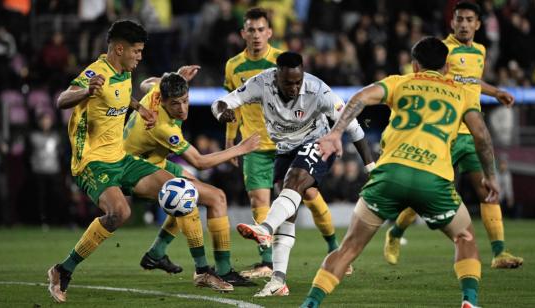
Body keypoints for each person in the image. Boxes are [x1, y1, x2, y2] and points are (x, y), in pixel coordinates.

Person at [300, 36, 499, 308]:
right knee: (464, 237)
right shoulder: (462, 93)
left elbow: (359, 98)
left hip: (390, 174)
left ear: (415, 65)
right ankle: (469, 300)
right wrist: (490, 175)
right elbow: (482, 136)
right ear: (447, 67)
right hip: (434, 179)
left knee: (348, 249)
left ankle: (310, 304)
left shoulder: (400, 81)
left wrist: (335, 133)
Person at [213, 51, 373, 297]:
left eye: (298, 82)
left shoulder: (319, 90)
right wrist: (220, 113)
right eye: (288, 83)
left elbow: (354, 126)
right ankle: (278, 281)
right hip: (284, 149)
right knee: (288, 211)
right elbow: (222, 102)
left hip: (318, 143)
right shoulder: (261, 83)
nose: (294, 87)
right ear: (276, 76)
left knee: (294, 181)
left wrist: (372, 168)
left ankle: (265, 227)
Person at [383, 1, 523, 269]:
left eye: (469, 20)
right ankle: (395, 233)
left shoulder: (480, 51)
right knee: (424, 194)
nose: (464, 24)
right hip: (444, 132)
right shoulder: (442, 51)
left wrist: (495, 92)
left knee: (486, 191)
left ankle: (500, 253)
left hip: (471, 133)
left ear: (478, 24)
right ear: (452, 22)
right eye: (459, 19)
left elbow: (473, 81)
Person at [47, 20, 176, 303]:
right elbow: (61, 100)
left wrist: (139, 107)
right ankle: (62, 270)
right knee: (120, 213)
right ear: (120, 48)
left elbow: (119, 96)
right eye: (137, 51)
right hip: (91, 162)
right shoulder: (96, 72)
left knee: (178, 189)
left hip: (119, 157)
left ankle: (176, 260)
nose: (140, 56)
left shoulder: (124, 71)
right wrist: (85, 92)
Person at [224, 6, 349, 279]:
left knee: (312, 196)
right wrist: (230, 139)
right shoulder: (233, 66)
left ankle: (335, 247)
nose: (256, 35)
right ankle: (267, 263)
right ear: (243, 33)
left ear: (269, 32)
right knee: (259, 199)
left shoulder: (282, 63)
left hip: (291, 143)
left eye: (261, 30)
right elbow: (232, 104)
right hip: (255, 143)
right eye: (251, 30)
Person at [124, 71, 259, 291]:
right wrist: (240, 148)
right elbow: (199, 161)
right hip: (136, 170)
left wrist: (177, 75)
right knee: (211, 197)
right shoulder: (163, 127)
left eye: (186, 101)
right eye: (176, 104)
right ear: (165, 101)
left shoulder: (158, 90)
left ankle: (156, 254)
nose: (183, 108)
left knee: (195, 192)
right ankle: (210, 270)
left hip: (151, 161)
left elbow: (146, 83)